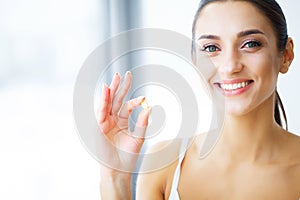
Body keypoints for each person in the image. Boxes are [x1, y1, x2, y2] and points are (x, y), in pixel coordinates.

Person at [98, 0, 300, 199]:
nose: (230, 66)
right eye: (212, 48)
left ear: (286, 55)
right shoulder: (166, 162)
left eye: (250, 44)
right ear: (195, 60)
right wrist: (115, 177)